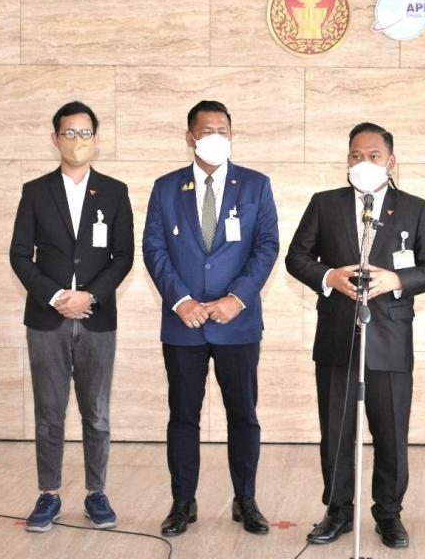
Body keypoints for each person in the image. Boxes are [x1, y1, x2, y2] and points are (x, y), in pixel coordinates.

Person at [285, 122, 425, 549]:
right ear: (347, 160)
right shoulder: (325, 204)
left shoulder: (416, 209)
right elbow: (296, 257)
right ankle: (337, 511)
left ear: (391, 161)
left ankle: (389, 514)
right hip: (337, 335)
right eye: (356, 155)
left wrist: (397, 280)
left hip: (390, 339)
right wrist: (329, 277)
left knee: (391, 433)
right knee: (336, 431)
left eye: (374, 156)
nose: (364, 162)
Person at [142, 100, 279, 537]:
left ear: (231, 135)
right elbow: (153, 248)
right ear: (190, 137)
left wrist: (237, 298)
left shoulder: (255, 185)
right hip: (183, 325)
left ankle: (246, 500)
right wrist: (181, 300)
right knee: (183, 417)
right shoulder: (166, 188)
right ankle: (183, 502)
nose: (215, 137)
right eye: (206, 130)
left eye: (223, 130)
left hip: (237, 324)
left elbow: (267, 246)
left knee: (243, 415)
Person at [10, 100, 134, 532]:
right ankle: (48, 494)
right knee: (49, 412)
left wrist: (90, 296)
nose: (76, 141)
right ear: (55, 138)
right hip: (47, 319)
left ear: (95, 140)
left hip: (97, 318)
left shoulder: (114, 191)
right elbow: (20, 255)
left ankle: (96, 492)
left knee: (96, 412)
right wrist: (57, 295)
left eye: (84, 133)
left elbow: (123, 256)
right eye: (69, 133)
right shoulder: (35, 191)